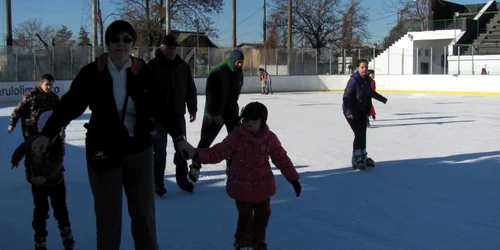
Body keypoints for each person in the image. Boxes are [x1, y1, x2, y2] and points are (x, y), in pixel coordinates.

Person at [30, 20, 196, 250]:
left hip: (139, 150)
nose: (121, 43)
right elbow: (69, 105)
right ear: (108, 43)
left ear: (133, 44)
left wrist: (179, 138)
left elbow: (160, 106)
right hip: (104, 151)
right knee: (108, 219)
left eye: (127, 39)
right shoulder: (93, 72)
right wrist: (47, 134)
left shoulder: (141, 71)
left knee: (144, 217)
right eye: (116, 39)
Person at [191, 101, 301, 250]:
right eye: (245, 119)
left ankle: (258, 241)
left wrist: (293, 179)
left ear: (262, 120)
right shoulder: (236, 138)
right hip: (242, 187)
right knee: (245, 217)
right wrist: (196, 154)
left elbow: (281, 159)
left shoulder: (269, 139)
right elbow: (217, 153)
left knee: (263, 216)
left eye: (253, 119)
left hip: (263, 186)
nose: (248, 122)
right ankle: (242, 242)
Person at [11, 111, 75, 250]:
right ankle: (39, 237)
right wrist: (15, 159)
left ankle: (66, 232)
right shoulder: (34, 141)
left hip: (56, 182)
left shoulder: (59, 145)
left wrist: (44, 177)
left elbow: (57, 164)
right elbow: (22, 148)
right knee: (40, 210)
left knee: (60, 209)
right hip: (39, 185)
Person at [148, 34, 198, 195]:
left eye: (174, 48)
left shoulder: (183, 66)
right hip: (158, 117)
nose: (172, 51)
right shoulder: (152, 66)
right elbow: (146, 93)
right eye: (169, 48)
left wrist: (192, 107)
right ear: (161, 48)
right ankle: (158, 183)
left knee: (181, 149)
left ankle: (182, 180)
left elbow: (190, 88)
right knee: (159, 151)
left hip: (177, 114)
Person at [189, 49, 245, 179]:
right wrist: (215, 114)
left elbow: (235, 93)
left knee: (234, 141)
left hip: (231, 111)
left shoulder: (238, 72)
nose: (240, 65)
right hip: (214, 112)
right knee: (205, 141)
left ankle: (231, 168)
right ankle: (195, 167)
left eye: (242, 63)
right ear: (232, 61)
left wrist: (235, 113)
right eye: (238, 62)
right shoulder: (217, 72)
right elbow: (210, 96)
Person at [8, 73, 60, 183]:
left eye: (51, 85)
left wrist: (60, 128)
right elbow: (19, 110)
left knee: (46, 151)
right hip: (30, 128)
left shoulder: (54, 98)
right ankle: (29, 172)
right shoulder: (31, 95)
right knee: (31, 150)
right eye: (47, 85)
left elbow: (58, 114)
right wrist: (12, 123)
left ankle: (44, 173)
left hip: (45, 129)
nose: (49, 87)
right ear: (41, 84)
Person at [342, 59, 387, 170]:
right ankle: (356, 158)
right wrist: (348, 111)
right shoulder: (354, 80)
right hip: (352, 111)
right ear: (358, 68)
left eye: (366, 67)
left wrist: (382, 99)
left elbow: (370, 93)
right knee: (359, 133)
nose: (365, 69)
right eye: (362, 67)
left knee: (363, 133)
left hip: (362, 111)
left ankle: (363, 155)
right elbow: (346, 96)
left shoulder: (367, 80)